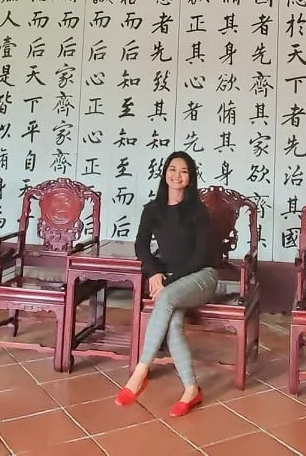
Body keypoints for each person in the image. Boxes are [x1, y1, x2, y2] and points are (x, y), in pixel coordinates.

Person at [114, 151, 217, 417]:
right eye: (173, 169)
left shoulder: (197, 210)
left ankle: (140, 371)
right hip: (171, 283)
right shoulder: (153, 209)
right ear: (165, 173)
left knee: (167, 298)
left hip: (201, 277)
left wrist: (168, 281)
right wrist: (153, 273)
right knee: (171, 322)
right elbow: (141, 246)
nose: (177, 175)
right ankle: (191, 389)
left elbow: (200, 256)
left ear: (190, 178)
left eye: (184, 171)